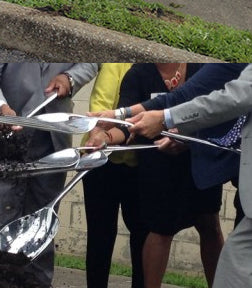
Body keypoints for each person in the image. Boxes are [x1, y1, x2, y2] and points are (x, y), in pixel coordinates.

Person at [87, 64, 224, 288]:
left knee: (209, 223)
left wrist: (187, 136)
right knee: (160, 230)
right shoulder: (139, 73)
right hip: (158, 166)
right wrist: (104, 138)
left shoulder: (202, 68)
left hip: (199, 160)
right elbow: (127, 126)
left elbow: (217, 110)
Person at [0, 63, 98, 288]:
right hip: (0, 140)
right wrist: (1, 109)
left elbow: (92, 60)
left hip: (50, 144)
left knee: (41, 232)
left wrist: (70, 77)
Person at [128, 64, 252, 288]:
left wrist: (168, 119)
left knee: (230, 260)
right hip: (184, 168)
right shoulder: (140, 73)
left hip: (218, 169)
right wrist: (119, 116)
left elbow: (236, 97)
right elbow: (185, 96)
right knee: (232, 266)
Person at [81, 63, 147, 288]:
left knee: (143, 237)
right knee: (100, 236)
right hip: (101, 162)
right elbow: (99, 104)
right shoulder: (117, 63)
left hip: (142, 166)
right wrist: (98, 135)